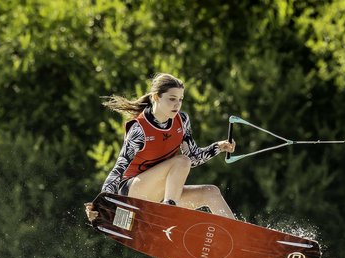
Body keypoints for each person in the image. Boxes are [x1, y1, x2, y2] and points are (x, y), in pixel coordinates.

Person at [85, 73, 236, 222]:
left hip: (161, 196)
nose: (177, 104)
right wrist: (102, 204)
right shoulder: (139, 129)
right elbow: (119, 168)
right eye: (172, 99)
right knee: (181, 161)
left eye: (180, 100)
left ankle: (239, 237)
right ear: (156, 97)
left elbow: (193, 158)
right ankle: (167, 212)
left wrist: (219, 147)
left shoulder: (182, 121)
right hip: (133, 194)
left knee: (211, 192)